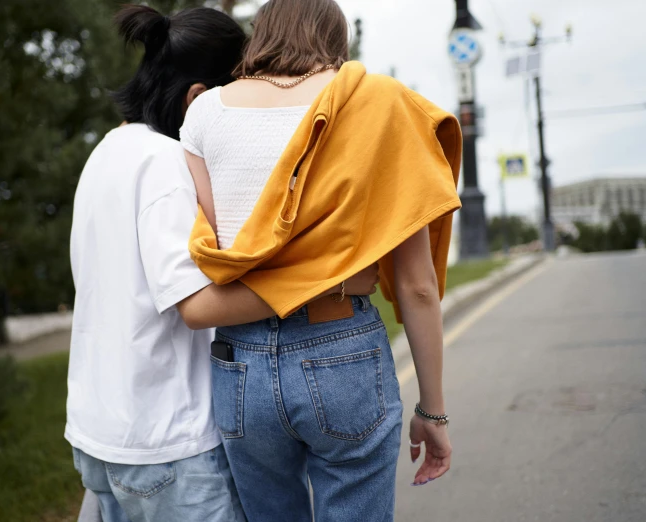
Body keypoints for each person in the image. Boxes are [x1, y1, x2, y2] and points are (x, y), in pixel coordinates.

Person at [66, 5, 378, 522]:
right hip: (170, 444)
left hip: (99, 434)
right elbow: (194, 305)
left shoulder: (107, 151)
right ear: (197, 99)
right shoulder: (164, 163)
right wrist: (325, 280)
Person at [181, 0, 460, 520]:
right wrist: (432, 410)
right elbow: (418, 285)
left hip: (239, 361)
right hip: (343, 349)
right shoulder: (379, 105)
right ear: (337, 41)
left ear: (259, 34)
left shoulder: (204, 112)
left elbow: (222, 249)